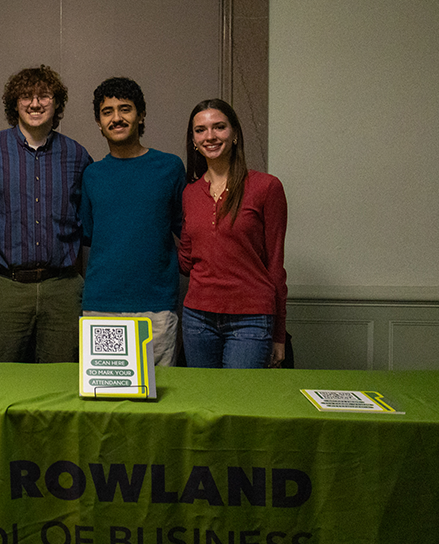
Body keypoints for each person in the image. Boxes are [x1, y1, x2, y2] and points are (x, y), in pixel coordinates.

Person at [0, 65, 92, 363]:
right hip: (4, 287)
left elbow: (88, 221)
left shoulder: (77, 156)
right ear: (15, 103)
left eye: (44, 96)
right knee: (1, 377)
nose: (35, 103)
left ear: (56, 102)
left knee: (59, 379)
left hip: (62, 288)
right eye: (26, 96)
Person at [79, 77, 186, 366]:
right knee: (107, 394)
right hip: (102, 304)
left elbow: (186, 229)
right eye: (107, 111)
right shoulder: (92, 175)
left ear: (140, 116)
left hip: (157, 306)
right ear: (99, 123)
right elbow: (89, 234)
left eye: (125, 109)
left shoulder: (170, 167)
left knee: (159, 398)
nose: (117, 118)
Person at [179, 98, 287, 369]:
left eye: (219, 127)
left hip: (250, 319)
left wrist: (279, 334)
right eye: (200, 130)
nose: (210, 136)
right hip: (197, 318)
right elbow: (187, 259)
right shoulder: (190, 193)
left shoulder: (266, 187)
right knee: (203, 403)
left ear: (235, 134)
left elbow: (275, 264)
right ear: (193, 140)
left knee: (240, 404)